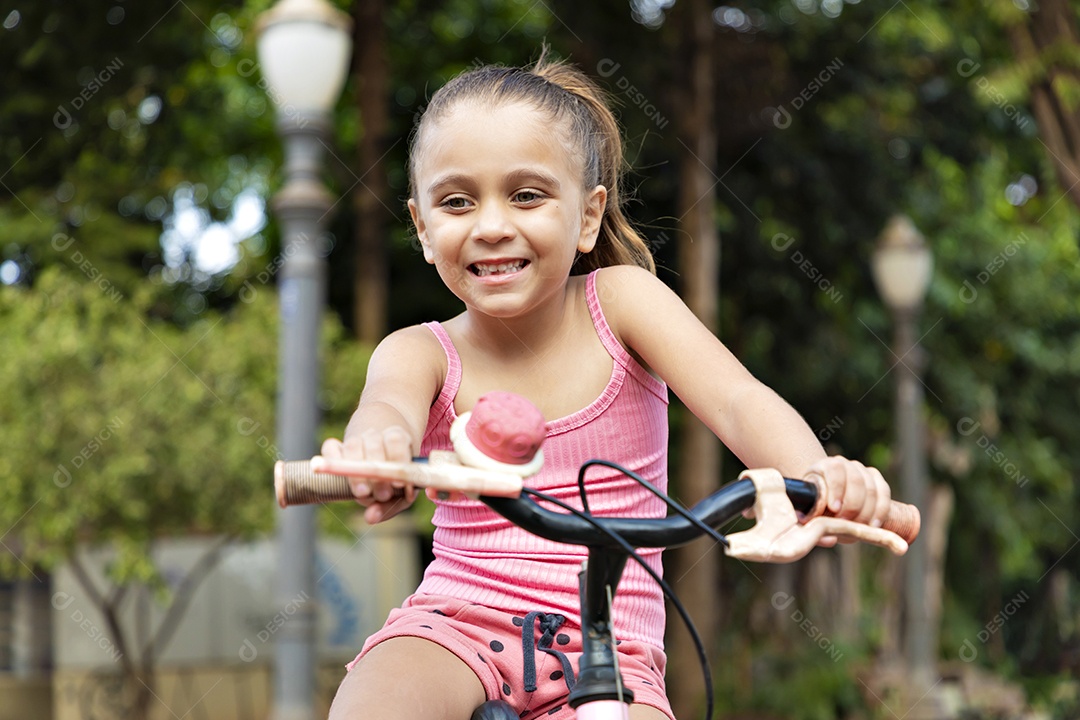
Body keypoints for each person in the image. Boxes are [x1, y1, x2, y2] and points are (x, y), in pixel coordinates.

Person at [324, 50, 893, 720]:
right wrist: (380, 449)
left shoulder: (622, 303)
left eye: (528, 195)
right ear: (423, 228)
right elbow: (384, 408)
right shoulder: (421, 351)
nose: (492, 225)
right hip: (455, 626)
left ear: (588, 216)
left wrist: (816, 475)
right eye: (456, 202)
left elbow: (739, 402)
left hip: (612, 649)